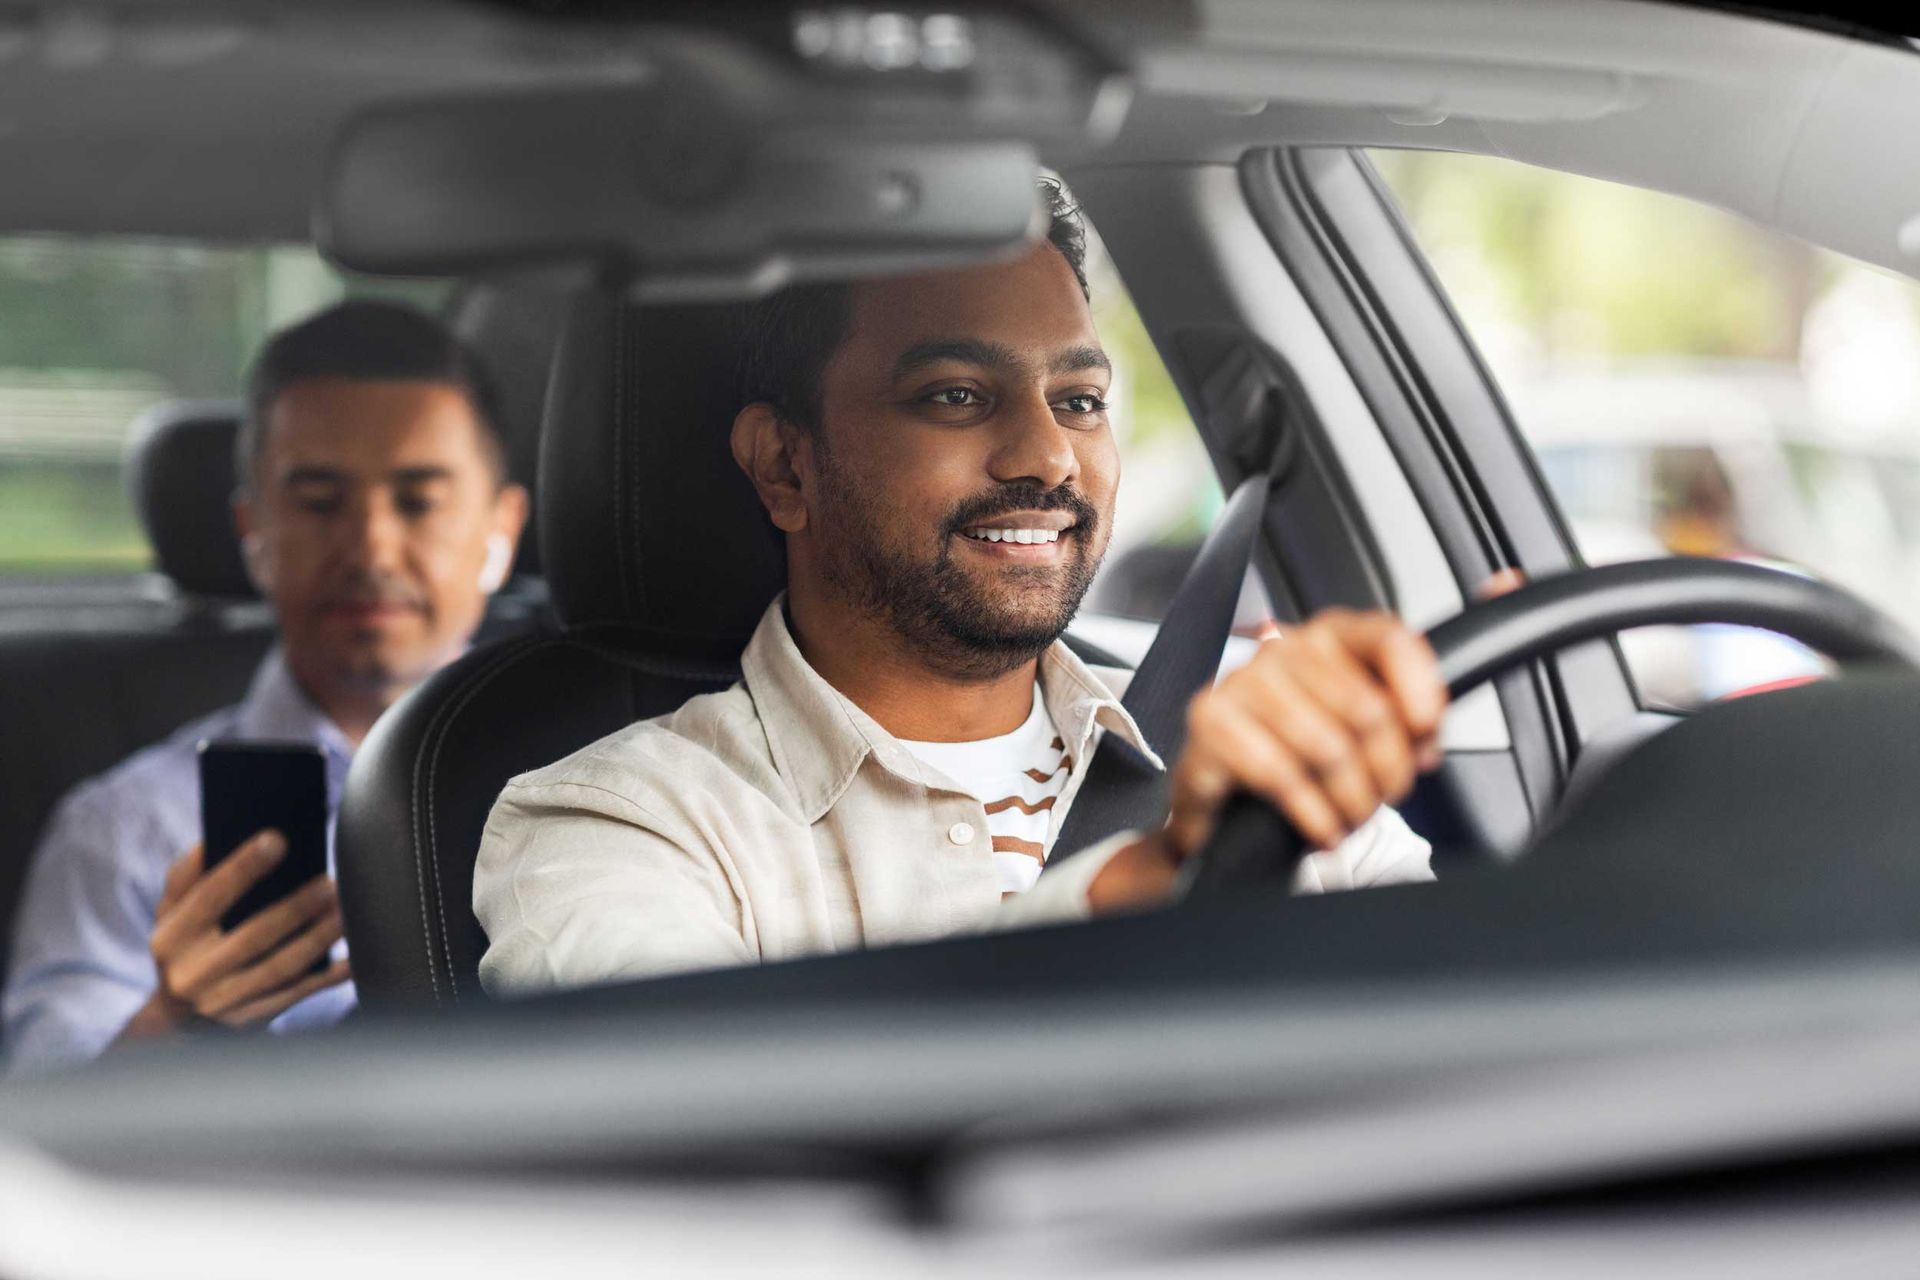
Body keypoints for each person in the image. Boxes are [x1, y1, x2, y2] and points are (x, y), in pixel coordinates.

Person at [472, 186, 1445, 995]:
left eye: (1081, 399)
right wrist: (1156, 881)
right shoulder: (617, 823)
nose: (1048, 454)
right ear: (784, 466)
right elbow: (709, 1147)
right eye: (953, 394)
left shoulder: (1258, 754)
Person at [5, 300, 529, 1067]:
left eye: (418, 500)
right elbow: (44, 1123)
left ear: (501, 532)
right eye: (320, 502)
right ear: (253, 534)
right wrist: (174, 1023)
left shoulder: (604, 781)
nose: (370, 547)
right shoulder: (126, 830)